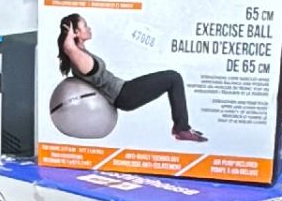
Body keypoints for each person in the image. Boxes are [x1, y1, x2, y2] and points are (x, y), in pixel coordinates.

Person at [56, 13, 207, 142]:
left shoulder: (81, 54)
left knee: (173, 77)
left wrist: (71, 35)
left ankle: (181, 127)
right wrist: (69, 34)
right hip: (123, 95)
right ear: (76, 32)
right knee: (174, 78)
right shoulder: (79, 59)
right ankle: (181, 129)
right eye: (85, 26)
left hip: (124, 89)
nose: (89, 28)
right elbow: (68, 47)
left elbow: (70, 48)